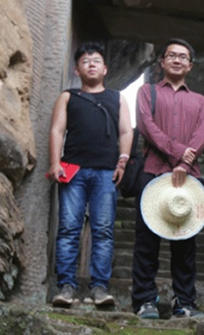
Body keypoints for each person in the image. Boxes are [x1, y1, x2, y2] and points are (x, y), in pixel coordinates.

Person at [48, 42, 133, 308]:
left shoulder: (117, 98)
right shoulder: (68, 97)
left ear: (105, 68)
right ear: (77, 69)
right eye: (85, 61)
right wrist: (55, 163)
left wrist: (122, 161)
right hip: (73, 170)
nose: (91, 64)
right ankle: (66, 287)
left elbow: (126, 131)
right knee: (68, 229)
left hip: (106, 172)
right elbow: (57, 130)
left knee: (103, 230)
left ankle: (99, 288)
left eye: (96, 60)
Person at [131, 39, 204, 319]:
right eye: (172, 55)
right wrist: (178, 154)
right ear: (162, 62)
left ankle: (184, 302)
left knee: (185, 242)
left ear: (190, 65)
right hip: (153, 172)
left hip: (189, 178)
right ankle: (144, 301)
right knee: (146, 242)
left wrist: (185, 164)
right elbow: (146, 126)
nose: (177, 60)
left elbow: (201, 136)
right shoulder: (147, 92)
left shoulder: (200, 101)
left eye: (183, 57)